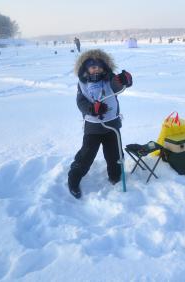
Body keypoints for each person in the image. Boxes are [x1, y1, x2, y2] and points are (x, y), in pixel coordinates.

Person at [68, 49, 132, 199]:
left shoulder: (109, 78)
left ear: (104, 66)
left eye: (98, 65)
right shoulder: (82, 83)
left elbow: (118, 85)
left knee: (115, 154)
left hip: (112, 125)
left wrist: (125, 81)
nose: (95, 68)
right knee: (86, 155)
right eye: (92, 66)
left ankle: (115, 176)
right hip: (93, 127)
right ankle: (74, 178)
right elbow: (81, 102)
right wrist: (92, 109)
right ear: (85, 68)